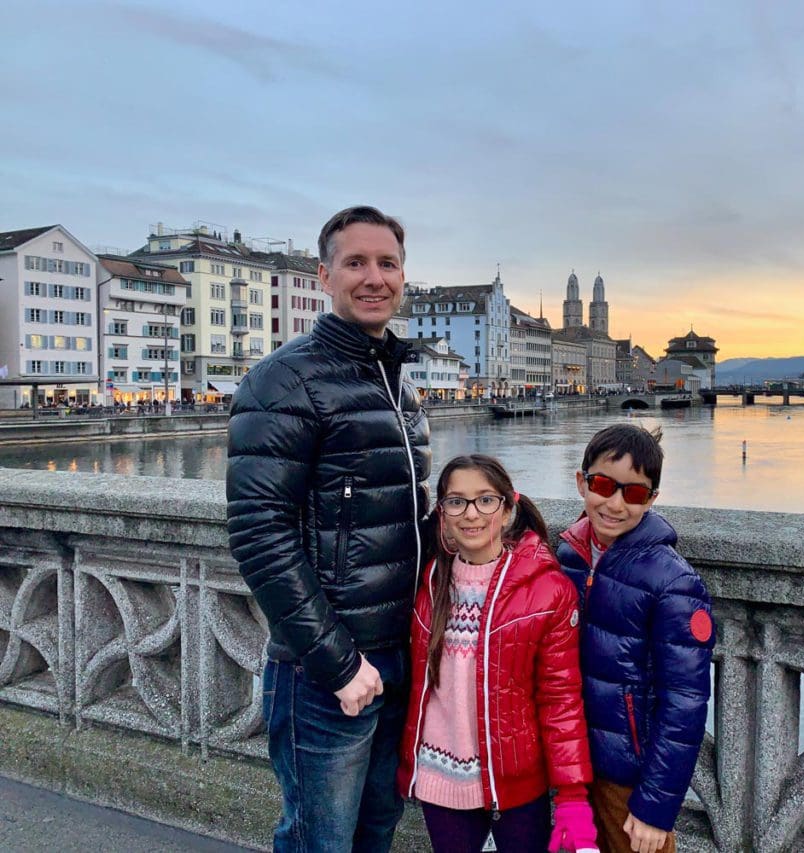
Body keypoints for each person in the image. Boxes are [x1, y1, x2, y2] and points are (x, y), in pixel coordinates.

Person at [226, 206, 430, 853]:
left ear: (404, 276)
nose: (374, 277)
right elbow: (260, 534)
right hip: (326, 671)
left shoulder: (397, 381)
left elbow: (409, 517)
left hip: (397, 660)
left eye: (388, 263)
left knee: (374, 835)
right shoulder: (284, 379)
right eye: (356, 262)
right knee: (320, 841)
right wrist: (341, 663)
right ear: (324, 275)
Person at [398, 454, 598, 853]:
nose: (471, 514)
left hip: (518, 784)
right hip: (440, 779)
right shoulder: (427, 584)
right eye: (456, 501)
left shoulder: (547, 591)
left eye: (485, 500)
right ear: (442, 514)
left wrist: (573, 796)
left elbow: (560, 699)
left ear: (508, 509)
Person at [557, 424, 715, 853]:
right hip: (570, 764)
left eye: (634, 493)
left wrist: (656, 809)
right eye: (603, 485)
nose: (614, 503)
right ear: (581, 482)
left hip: (628, 778)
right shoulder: (567, 555)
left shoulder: (673, 581)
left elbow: (685, 705)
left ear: (652, 500)